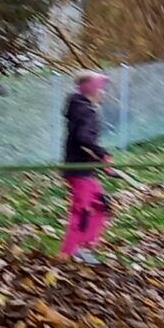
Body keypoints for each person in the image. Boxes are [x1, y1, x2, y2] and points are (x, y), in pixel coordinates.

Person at [60, 70, 113, 262]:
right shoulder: (85, 110)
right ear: (92, 89)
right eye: (101, 88)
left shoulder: (81, 107)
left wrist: (100, 160)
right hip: (78, 170)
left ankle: (85, 246)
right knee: (82, 210)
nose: (103, 93)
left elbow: (83, 140)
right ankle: (69, 251)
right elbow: (84, 139)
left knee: (100, 203)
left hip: (83, 170)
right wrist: (102, 154)